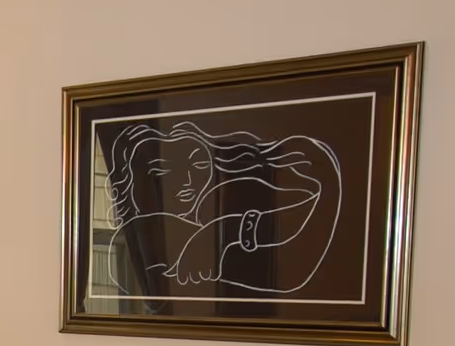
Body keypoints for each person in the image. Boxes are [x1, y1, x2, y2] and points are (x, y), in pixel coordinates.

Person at [99, 119, 343, 299]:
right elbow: (292, 273)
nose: (187, 179)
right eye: (164, 168)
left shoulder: (227, 200)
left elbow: (306, 202)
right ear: (133, 185)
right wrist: (226, 230)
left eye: (199, 163)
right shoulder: (154, 229)